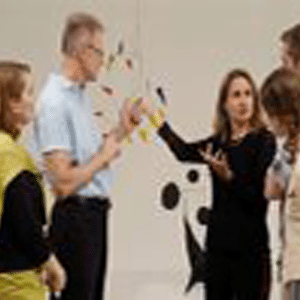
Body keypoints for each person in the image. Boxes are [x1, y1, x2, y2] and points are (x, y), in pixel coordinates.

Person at [25, 12, 141, 300]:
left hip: (93, 218)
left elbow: (91, 158)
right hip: (76, 220)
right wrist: (103, 157)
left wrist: (122, 129)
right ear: (82, 52)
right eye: (100, 52)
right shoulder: (54, 102)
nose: (104, 60)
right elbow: (63, 183)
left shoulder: (78, 97)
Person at [148, 69, 276, 299]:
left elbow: (258, 199)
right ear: (224, 104)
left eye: (248, 94)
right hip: (218, 250)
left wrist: (229, 177)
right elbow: (183, 152)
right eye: (236, 95)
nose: (243, 101)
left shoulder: (264, 140)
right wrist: (155, 120)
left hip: (252, 250)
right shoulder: (218, 143)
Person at [0, 61, 66, 299]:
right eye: (28, 92)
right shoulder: (10, 156)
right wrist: (49, 263)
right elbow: (23, 222)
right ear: (11, 102)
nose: (33, 100)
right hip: (15, 282)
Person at [262, 68, 300, 299]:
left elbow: (271, 189)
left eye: (269, 113)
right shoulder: (288, 152)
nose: (266, 121)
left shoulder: (290, 153)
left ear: (284, 114)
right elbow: (271, 190)